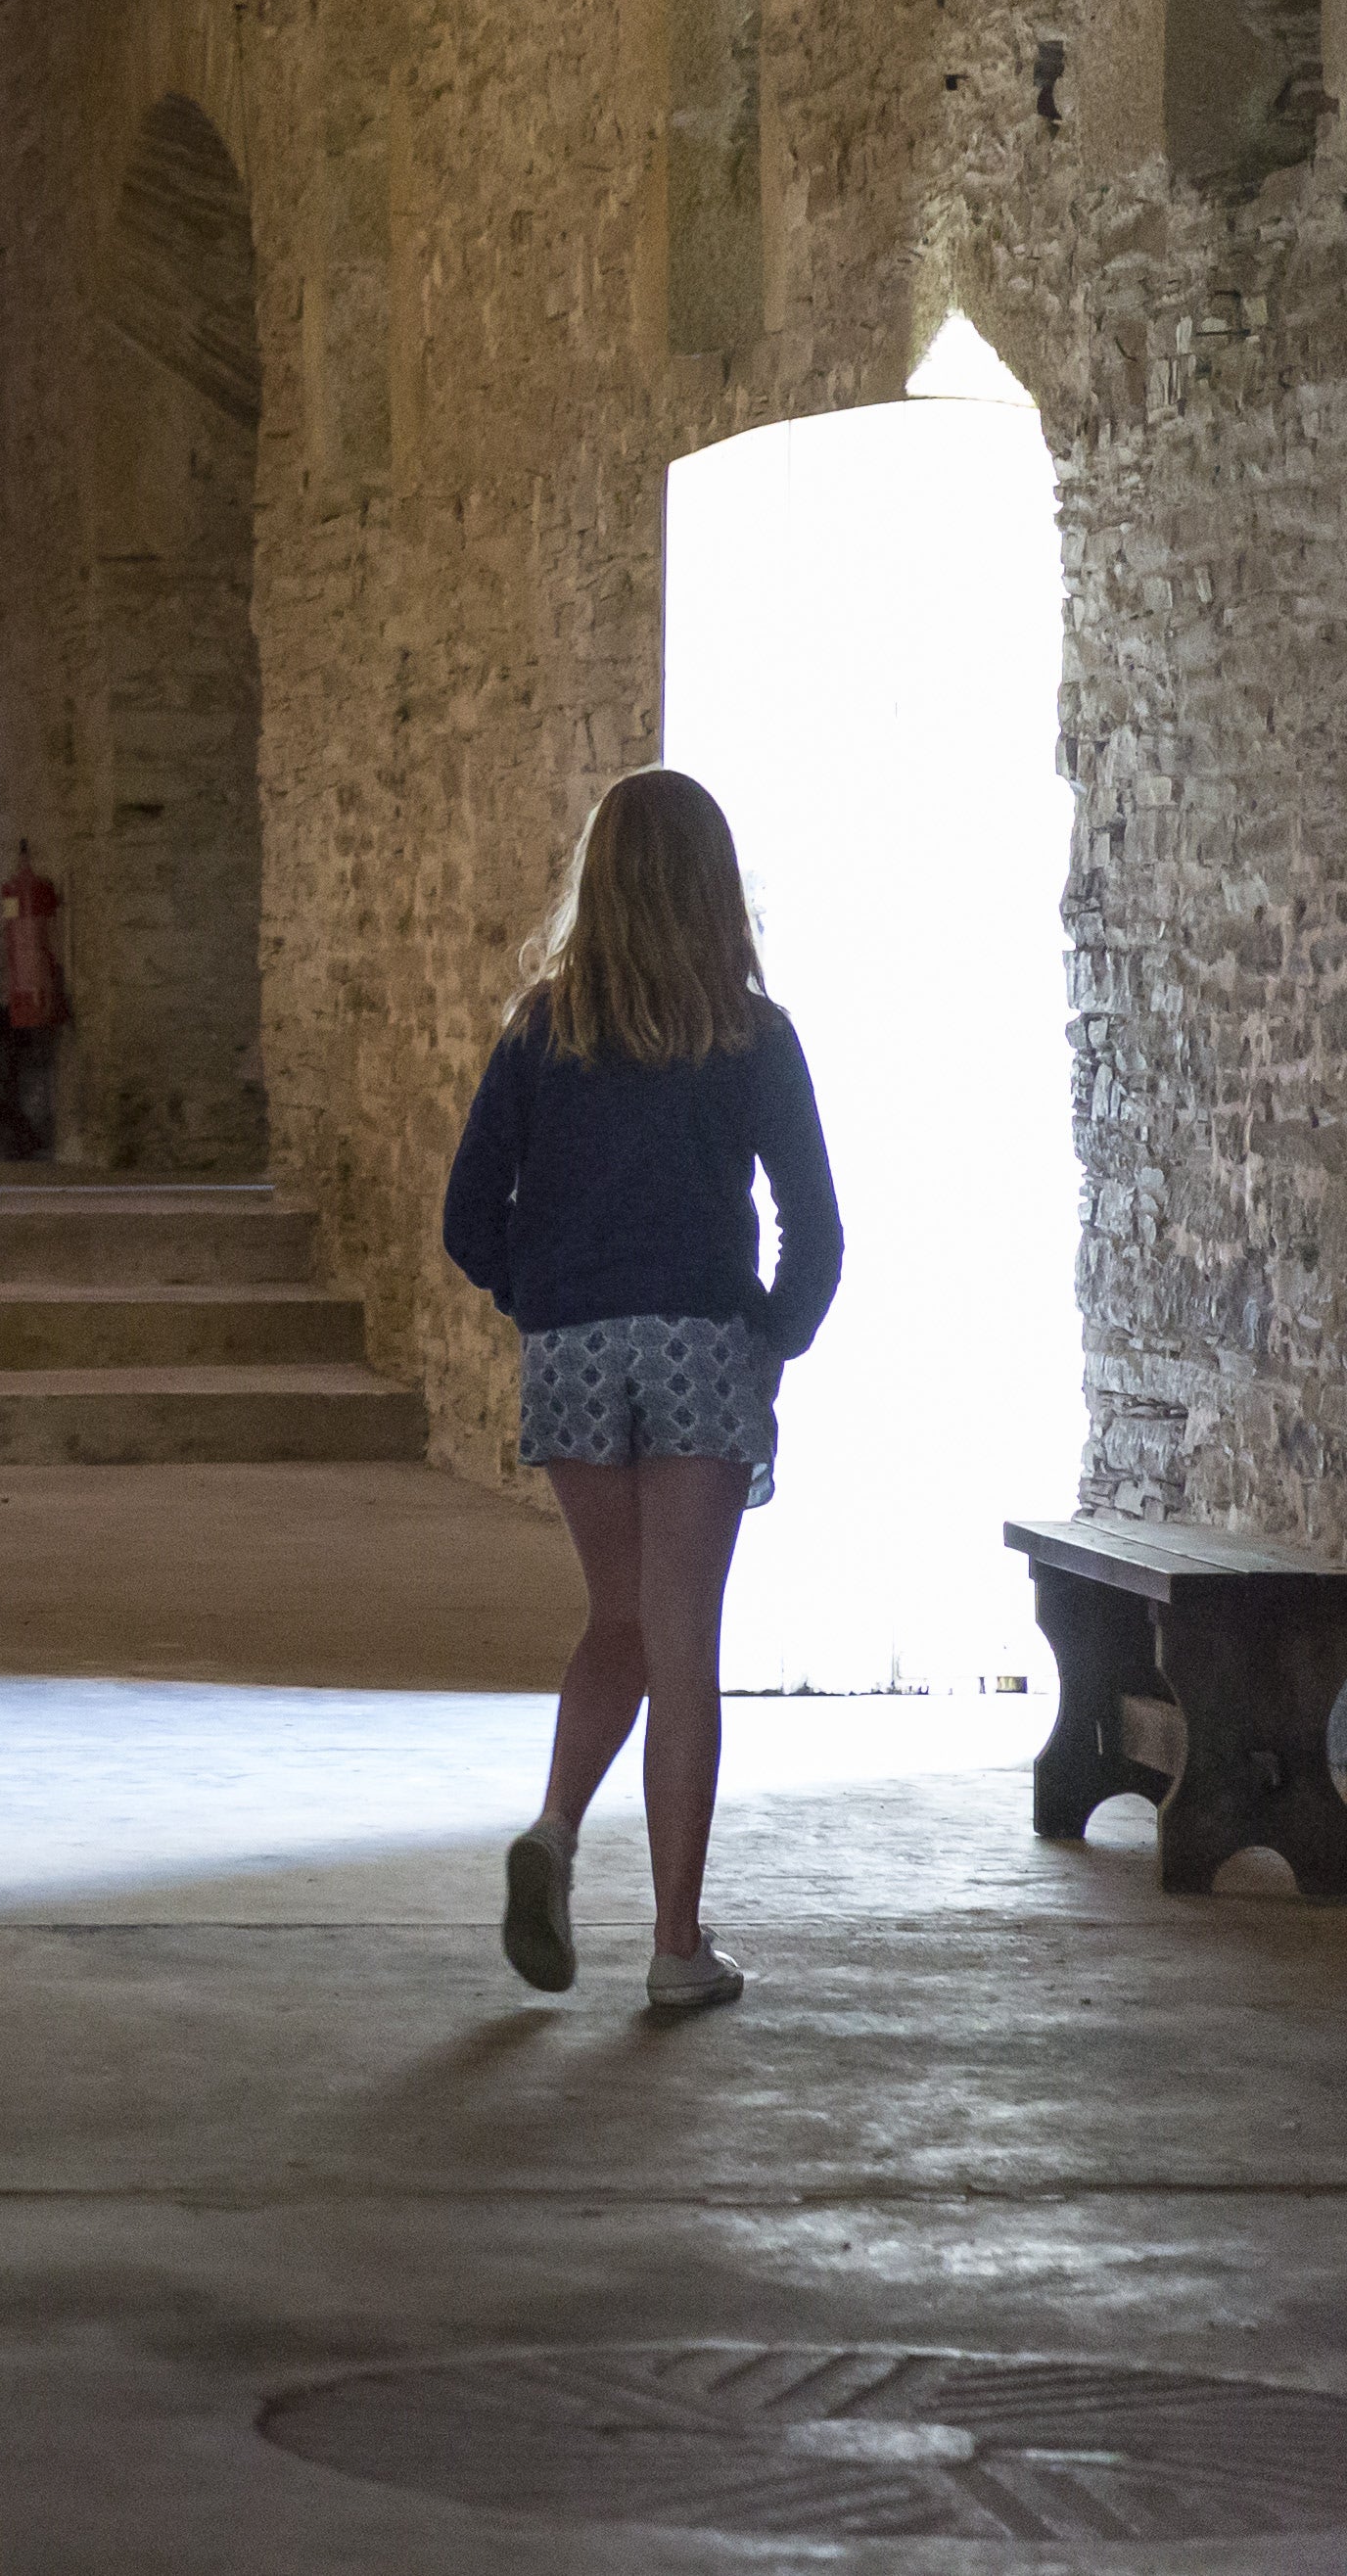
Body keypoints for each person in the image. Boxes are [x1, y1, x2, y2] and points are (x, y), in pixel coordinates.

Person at [443, 766, 841, 2015]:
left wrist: (541, 1297)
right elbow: (814, 1226)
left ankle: (555, 1832)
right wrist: (772, 1334)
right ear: (716, 886)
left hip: (572, 1351)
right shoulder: (752, 1033)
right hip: (697, 1341)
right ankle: (675, 1944)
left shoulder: (538, 1032)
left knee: (615, 1613)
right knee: (682, 1639)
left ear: (594, 883)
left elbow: (467, 1217)